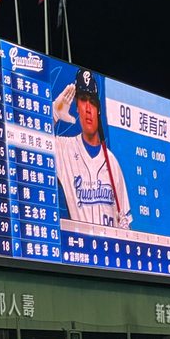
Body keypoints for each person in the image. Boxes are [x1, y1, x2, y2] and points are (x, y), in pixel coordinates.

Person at [53, 67, 132, 228]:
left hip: (110, 243)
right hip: (81, 243)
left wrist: (126, 232)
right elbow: (30, 142)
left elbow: (126, 221)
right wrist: (53, 113)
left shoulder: (112, 162)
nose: (88, 109)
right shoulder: (64, 149)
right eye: (83, 100)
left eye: (93, 102)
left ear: (98, 110)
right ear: (77, 106)